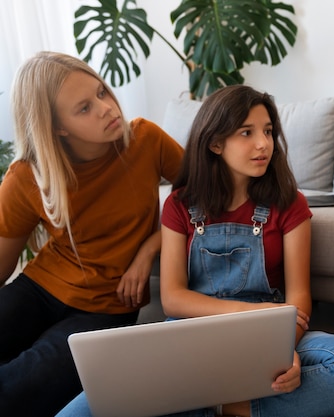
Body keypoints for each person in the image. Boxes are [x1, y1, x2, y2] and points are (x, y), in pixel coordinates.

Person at [57, 85, 334, 417]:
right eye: (247, 132)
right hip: (193, 331)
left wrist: (283, 346)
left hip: (269, 332)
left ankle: (228, 406)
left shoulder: (289, 202)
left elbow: (299, 298)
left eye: (268, 131)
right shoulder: (179, 204)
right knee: (88, 405)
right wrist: (247, 314)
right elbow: (173, 298)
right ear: (215, 143)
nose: (263, 143)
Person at [0, 51, 184, 416]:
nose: (106, 107)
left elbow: (202, 198)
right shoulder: (27, 176)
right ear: (56, 127)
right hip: (40, 286)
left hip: (107, 305)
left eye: (101, 92)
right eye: (84, 108)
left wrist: (148, 250)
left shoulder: (146, 139)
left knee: (24, 384)